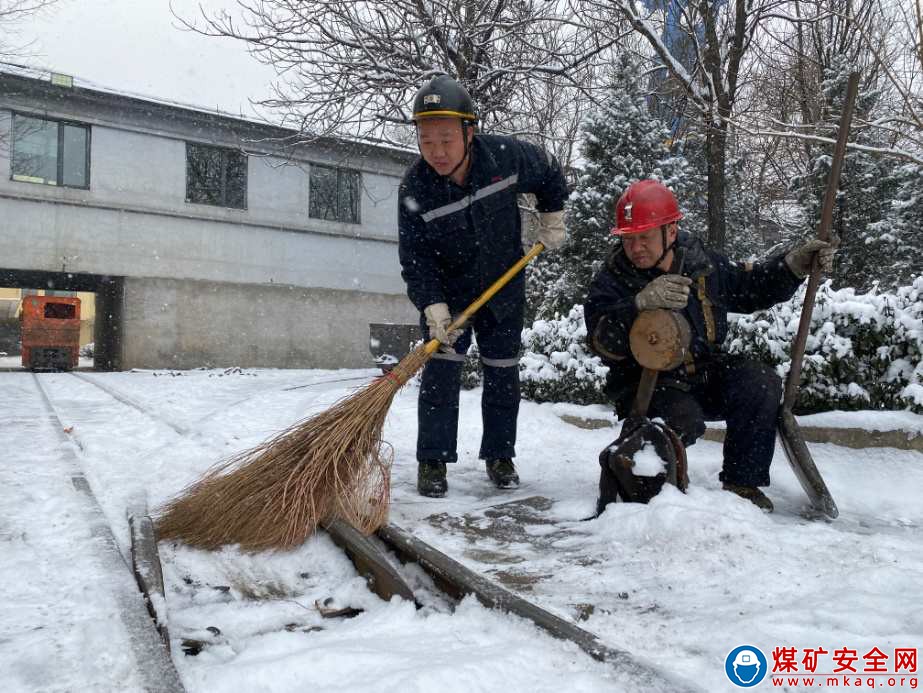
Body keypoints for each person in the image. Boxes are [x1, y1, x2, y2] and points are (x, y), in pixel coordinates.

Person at [583, 179, 836, 512]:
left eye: (644, 236)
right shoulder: (612, 279)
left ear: (670, 231)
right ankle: (646, 484)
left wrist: (792, 267)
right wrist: (638, 305)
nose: (636, 248)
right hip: (646, 383)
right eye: (628, 239)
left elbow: (750, 286)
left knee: (758, 383)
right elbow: (602, 343)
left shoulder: (702, 263)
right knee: (681, 419)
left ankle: (742, 485)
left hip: (703, 369)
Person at [398, 74, 569, 498]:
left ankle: (500, 456)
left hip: (503, 286)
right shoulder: (414, 188)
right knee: (441, 375)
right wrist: (432, 306)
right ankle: (433, 460)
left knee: (502, 373)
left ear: (469, 132)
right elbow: (414, 260)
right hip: (450, 296)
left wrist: (553, 217)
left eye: (446, 139)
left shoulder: (504, 158)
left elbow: (550, 171)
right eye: (426, 140)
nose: (436, 151)